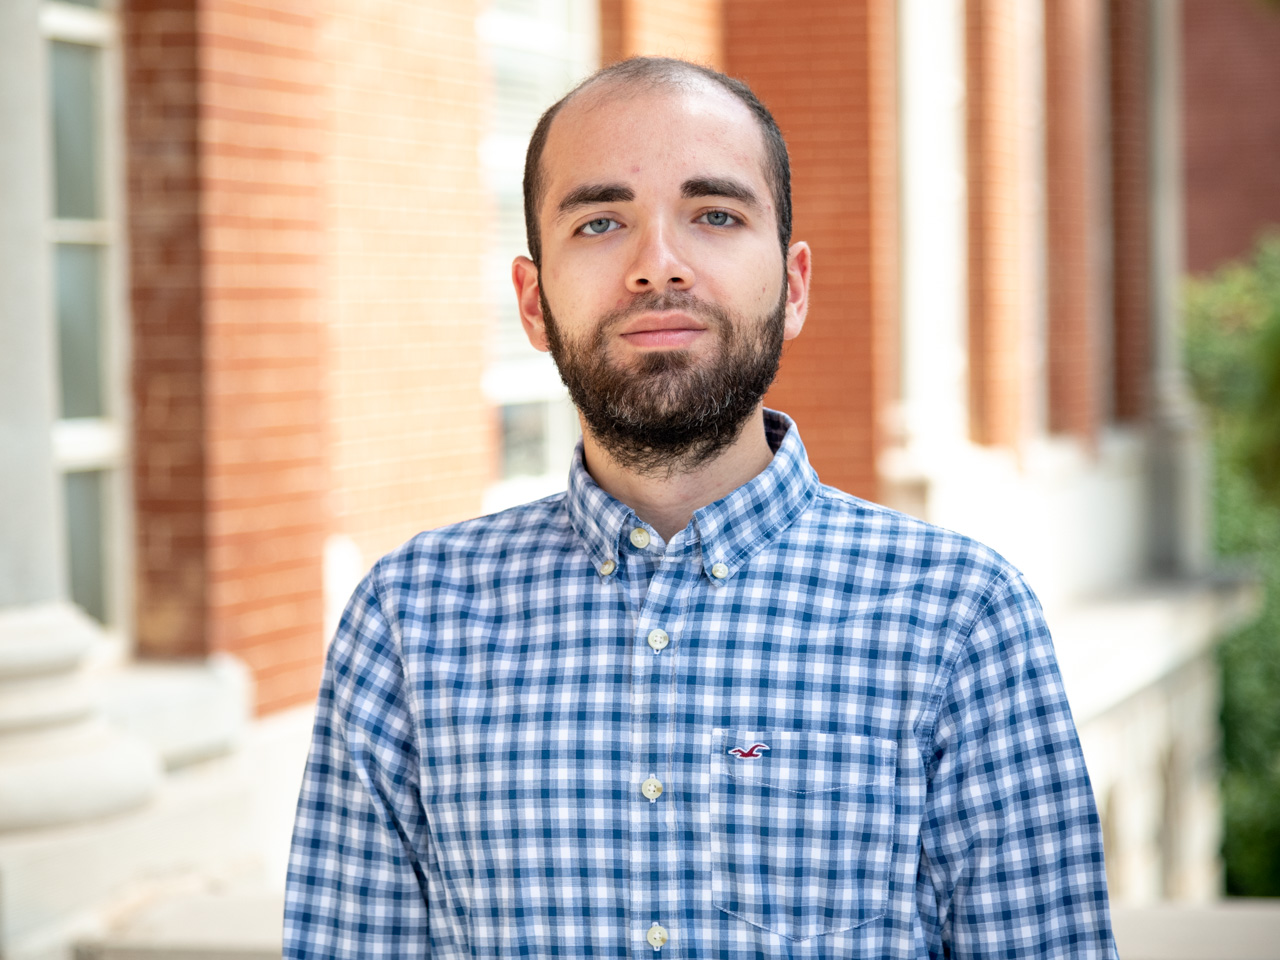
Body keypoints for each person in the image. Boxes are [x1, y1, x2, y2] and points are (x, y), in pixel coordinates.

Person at [284, 57, 1117, 959]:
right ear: (531, 303)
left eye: (715, 215)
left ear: (794, 286)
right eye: (600, 222)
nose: (658, 267)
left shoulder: (960, 616)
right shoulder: (409, 621)